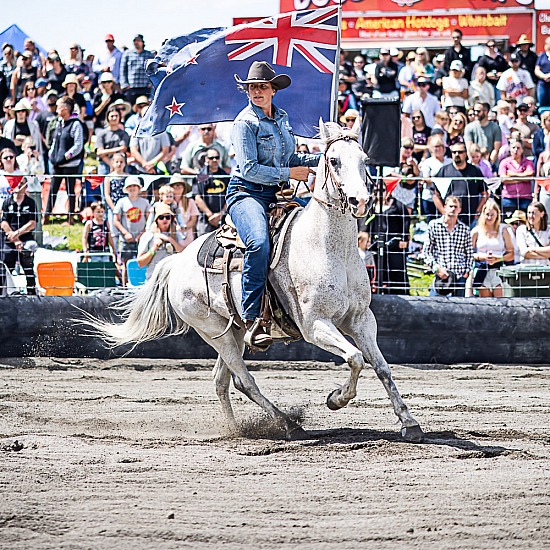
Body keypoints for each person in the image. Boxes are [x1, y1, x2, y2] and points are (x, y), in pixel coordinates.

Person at [227, 61, 319, 349]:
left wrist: (327, 155)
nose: (256, 91)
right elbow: (250, 168)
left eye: (262, 86)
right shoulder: (244, 123)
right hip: (247, 193)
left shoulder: (282, 118)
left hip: (278, 193)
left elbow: (290, 160)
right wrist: (290, 174)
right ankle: (253, 317)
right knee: (258, 243)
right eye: (252, 87)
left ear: (273, 90)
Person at [45, 96, 85, 225]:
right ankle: (46, 215)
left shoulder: (76, 124)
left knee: (70, 190)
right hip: (57, 163)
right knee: (53, 189)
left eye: (59, 106)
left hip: (70, 163)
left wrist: (66, 156)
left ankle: (71, 217)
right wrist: (52, 155)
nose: (56, 109)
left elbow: (78, 145)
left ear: (65, 109)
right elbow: (55, 142)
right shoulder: (59, 123)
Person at [424, 195, 474, 297]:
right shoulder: (434, 226)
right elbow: (426, 252)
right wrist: (437, 268)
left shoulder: (465, 229)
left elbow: (469, 254)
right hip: (441, 276)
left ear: (459, 210)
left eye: (455, 207)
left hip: (459, 277)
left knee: (458, 311)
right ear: (445, 207)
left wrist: (466, 272)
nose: (453, 209)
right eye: (450, 206)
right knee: (434, 308)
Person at [434, 142, 487, 228]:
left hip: (471, 219)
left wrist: (478, 211)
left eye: (460, 152)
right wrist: (444, 212)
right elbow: (435, 195)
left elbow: (485, 193)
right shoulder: (444, 171)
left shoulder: (474, 171)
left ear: (465, 153)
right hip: (449, 219)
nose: (457, 154)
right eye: (454, 152)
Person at [0, 179, 38, 294]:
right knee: (5, 264)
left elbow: (32, 223)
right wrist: (15, 239)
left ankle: (31, 292)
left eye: (21, 184)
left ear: (26, 187)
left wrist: (18, 233)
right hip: (10, 239)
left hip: (26, 238)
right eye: (16, 184)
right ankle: (5, 292)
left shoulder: (30, 203)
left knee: (27, 260)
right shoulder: (7, 202)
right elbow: (3, 222)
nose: (18, 187)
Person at [113, 175, 152, 286]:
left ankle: (142, 285)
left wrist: (143, 233)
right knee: (125, 264)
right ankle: (125, 287)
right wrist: (125, 233)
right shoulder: (122, 202)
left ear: (139, 188)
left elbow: (149, 219)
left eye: (135, 186)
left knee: (142, 262)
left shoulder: (144, 202)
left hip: (141, 238)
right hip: (126, 239)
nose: (132, 188)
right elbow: (116, 220)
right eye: (130, 186)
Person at [471, 199, 514, 297]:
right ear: (483, 214)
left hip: (498, 270)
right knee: (485, 304)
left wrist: (498, 258)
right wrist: (481, 257)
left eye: (492, 215)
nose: (489, 217)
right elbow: (467, 253)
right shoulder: (476, 231)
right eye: (487, 214)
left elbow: (511, 254)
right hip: (481, 269)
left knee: (500, 303)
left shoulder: (503, 230)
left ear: (497, 215)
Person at [137, 202, 185, 280]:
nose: (165, 220)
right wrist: (154, 248)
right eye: (161, 217)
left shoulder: (176, 234)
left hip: (172, 279)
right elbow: (140, 263)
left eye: (168, 217)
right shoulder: (148, 236)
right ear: (156, 220)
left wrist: (170, 240)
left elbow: (184, 253)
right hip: (154, 279)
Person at [192, 148, 228, 236]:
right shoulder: (201, 176)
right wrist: (210, 215)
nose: (214, 160)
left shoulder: (225, 175)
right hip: (205, 218)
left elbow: (230, 196)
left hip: (223, 218)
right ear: (206, 159)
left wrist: (221, 214)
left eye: (217, 157)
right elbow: (197, 197)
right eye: (211, 158)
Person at [498, 138, 534, 218]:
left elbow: (530, 176)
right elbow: (503, 179)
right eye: (513, 147)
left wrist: (512, 175)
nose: (515, 150)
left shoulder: (528, 162)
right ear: (510, 149)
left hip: (525, 197)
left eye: (518, 148)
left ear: (522, 150)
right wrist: (522, 176)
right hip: (509, 198)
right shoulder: (504, 162)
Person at [419, 134, 452, 219]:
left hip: (447, 199)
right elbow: (425, 178)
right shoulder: (427, 162)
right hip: (430, 198)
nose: (439, 149)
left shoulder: (450, 161)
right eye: (436, 146)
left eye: (441, 146)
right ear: (431, 148)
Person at [120, 34, 154, 106]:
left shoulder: (149, 55)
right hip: (132, 87)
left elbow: (153, 70)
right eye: (135, 41)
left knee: (146, 107)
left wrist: (150, 83)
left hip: (145, 87)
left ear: (142, 42)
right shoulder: (127, 54)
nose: (136, 42)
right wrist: (125, 84)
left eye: (138, 40)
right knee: (131, 108)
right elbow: (123, 70)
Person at [464, 101, 502, 166]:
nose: (475, 113)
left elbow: (496, 149)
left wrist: (489, 164)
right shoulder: (469, 127)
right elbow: (469, 148)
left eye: (478, 111)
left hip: (491, 163)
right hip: (474, 163)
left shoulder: (495, 127)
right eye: (474, 111)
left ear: (486, 111)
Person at [95, 106, 130, 175]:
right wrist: (111, 164)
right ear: (107, 117)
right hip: (104, 164)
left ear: (119, 117)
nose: (114, 118)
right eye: (112, 116)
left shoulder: (124, 134)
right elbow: (99, 153)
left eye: (116, 116)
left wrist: (105, 151)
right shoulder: (101, 134)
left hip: (120, 165)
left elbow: (123, 149)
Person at [516, 201, 550, 265]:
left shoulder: (549, 230)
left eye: (534, 213)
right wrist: (546, 254)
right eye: (529, 213)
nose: (531, 216)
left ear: (542, 214)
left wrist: (532, 249)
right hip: (527, 269)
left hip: (546, 269)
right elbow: (524, 253)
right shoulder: (521, 230)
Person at [171, 174, 199, 249]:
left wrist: (185, 228)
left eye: (180, 185)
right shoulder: (167, 202)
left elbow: (194, 219)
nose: (178, 187)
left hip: (187, 235)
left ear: (184, 188)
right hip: (171, 235)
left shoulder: (190, 201)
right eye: (175, 185)